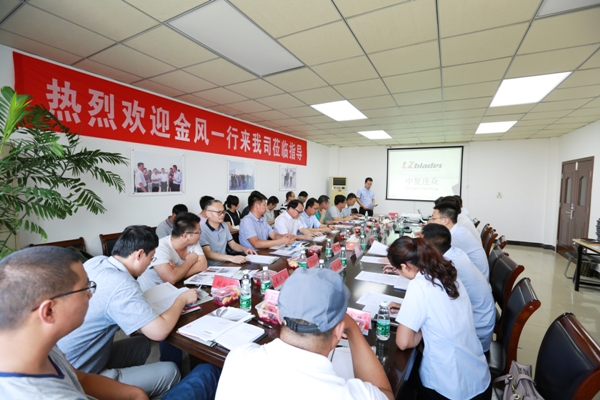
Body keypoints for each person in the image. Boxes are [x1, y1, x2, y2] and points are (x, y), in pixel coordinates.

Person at [0, 246, 220, 400]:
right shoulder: (47, 395)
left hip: (94, 369)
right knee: (208, 373)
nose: (91, 294)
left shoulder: (33, 343)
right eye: (85, 288)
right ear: (49, 311)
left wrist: (134, 394)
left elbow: (79, 378)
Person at [215, 268, 393, 400]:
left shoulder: (238, 356)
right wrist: (352, 327)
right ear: (339, 331)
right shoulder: (351, 395)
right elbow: (385, 394)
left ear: (278, 315)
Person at [56, 226, 193, 397]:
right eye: (151, 258)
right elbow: (159, 332)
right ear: (139, 254)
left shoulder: (97, 261)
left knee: (143, 344)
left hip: (66, 359)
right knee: (171, 371)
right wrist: (182, 299)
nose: (150, 263)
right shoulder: (121, 283)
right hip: (81, 374)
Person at [387, 237, 491, 400]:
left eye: (396, 269)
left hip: (450, 386)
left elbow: (403, 342)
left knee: (399, 382)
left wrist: (420, 323)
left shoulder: (418, 285)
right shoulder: (446, 272)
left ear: (405, 266)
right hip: (477, 376)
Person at [420, 224, 495, 354]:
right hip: (477, 321)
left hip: (474, 335)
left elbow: (430, 294)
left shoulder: (449, 265)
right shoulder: (454, 253)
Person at [138, 213, 208, 291]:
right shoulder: (160, 247)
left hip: (175, 288)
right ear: (185, 236)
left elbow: (203, 266)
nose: (200, 234)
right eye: (198, 231)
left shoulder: (193, 241)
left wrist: (177, 273)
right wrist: (190, 260)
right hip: (151, 293)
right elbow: (171, 279)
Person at [428, 202, 489, 280]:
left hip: (471, 281)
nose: (431, 222)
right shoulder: (458, 230)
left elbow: (436, 260)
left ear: (445, 221)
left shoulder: (456, 238)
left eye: (433, 219)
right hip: (473, 276)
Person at [200, 199, 257, 265]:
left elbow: (232, 244)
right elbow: (207, 253)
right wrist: (231, 258)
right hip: (212, 266)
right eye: (219, 212)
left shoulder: (224, 225)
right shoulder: (202, 230)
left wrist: (244, 249)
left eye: (223, 212)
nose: (222, 215)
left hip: (225, 262)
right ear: (208, 213)